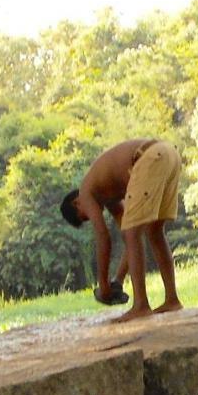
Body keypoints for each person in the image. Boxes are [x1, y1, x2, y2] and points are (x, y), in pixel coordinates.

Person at [60, 138, 184, 322]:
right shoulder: (108, 195)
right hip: (169, 154)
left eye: (84, 216)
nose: (94, 215)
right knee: (154, 231)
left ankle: (141, 305)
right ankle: (172, 299)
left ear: (77, 203)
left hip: (150, 158)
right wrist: (117, 280)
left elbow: (103, 236)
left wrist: (103, 285)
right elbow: (129, 239)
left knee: (134, 232)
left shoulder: (85, 191)